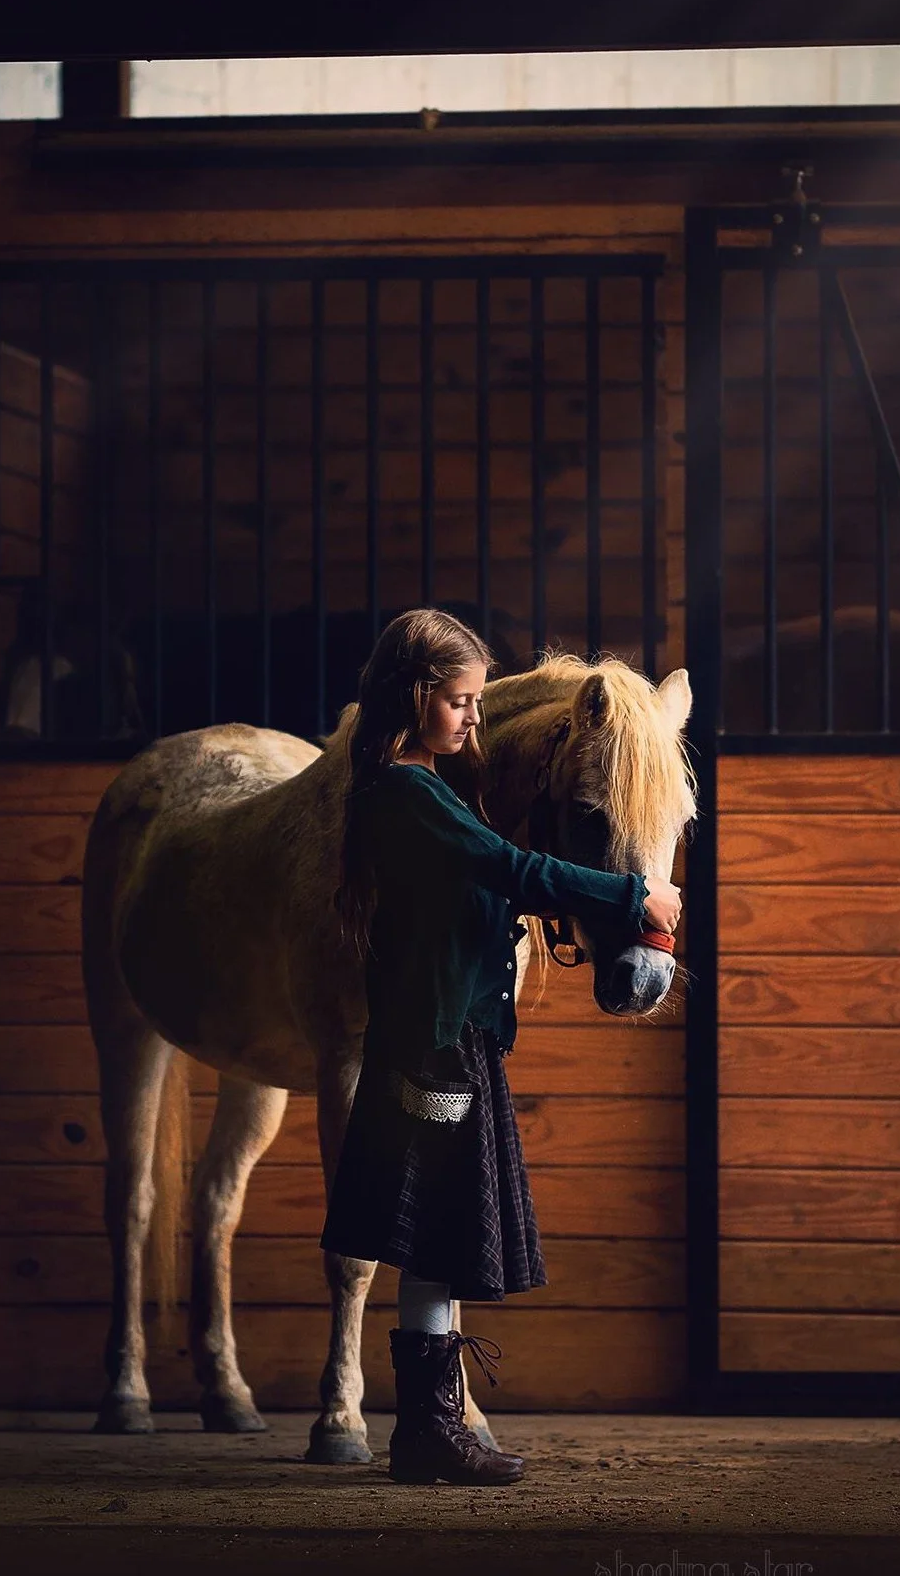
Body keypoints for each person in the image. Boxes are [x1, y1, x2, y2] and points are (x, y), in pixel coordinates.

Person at [322, 608, 680, 1486]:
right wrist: (635, 898)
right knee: (438, 1235)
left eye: (479, 700)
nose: (475, 716)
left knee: (439, 1239)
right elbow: (510, 869)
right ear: (414, 699)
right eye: (459, 700)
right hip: (439, 1046)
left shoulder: (424, 789)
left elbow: (490, 886)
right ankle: (429, 1429)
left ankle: (430, 1427)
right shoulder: (408, 795)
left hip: (457, 1036)